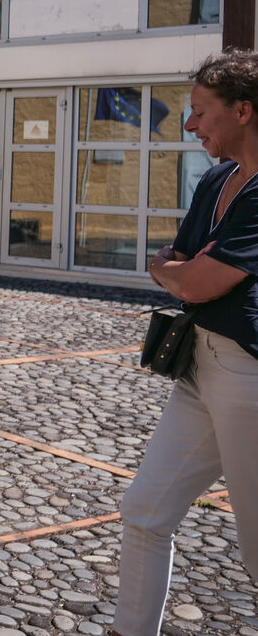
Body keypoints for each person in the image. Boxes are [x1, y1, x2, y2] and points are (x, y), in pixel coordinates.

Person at [112, 50, 258, 636]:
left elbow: (195, 279)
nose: (191, 125)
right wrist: (180, 271)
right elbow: (180, 263)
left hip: (249, 378)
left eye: (200, 111)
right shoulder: (217, 179)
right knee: (145, 511)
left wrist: (181, 273)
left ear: (243, 110)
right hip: (201, 365)